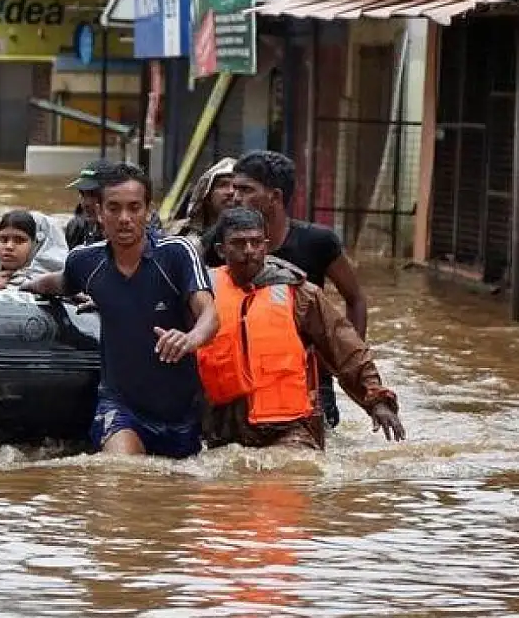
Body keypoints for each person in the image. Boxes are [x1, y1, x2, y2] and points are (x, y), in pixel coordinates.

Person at [21, 163, 219, 458]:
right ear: (99, 212)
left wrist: (190, 339)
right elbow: (60, 283)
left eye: (134, 208)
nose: (124, 219)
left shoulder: (177, 253)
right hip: (120, 407)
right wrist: (21, 287)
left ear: (148, 211)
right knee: (121, 476)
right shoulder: (85, 261)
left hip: (180, 412)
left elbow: (210, 316)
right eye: (114, 208)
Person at [198, 207, 405, 449]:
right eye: (239, 243)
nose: (249, 251)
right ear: (222, 250)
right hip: (221, 427)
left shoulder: (299, 293)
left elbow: (345, 347)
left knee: (290, 473)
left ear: (266, 246)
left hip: (289, 428)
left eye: (256, 242)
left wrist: (377, 400)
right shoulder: (201, 292)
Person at [206, 150, 368, 430]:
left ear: (275, 197)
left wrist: (341, 360)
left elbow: (355, 299)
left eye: (245, 190)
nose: (235, 197)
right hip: (240, 384)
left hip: (309, 380)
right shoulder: (217, 246)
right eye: (233, 189)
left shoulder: (318, 242)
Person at [171, 157, 235, 240]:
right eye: (223, 185)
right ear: (207, 195)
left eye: (236, 186)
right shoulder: (180, 234)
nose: (231, 192)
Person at [64, 159, 110, 249]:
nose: (86, 203)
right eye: (82, 194)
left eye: (93, 194)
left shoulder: (130, 234)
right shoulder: (75, 229)